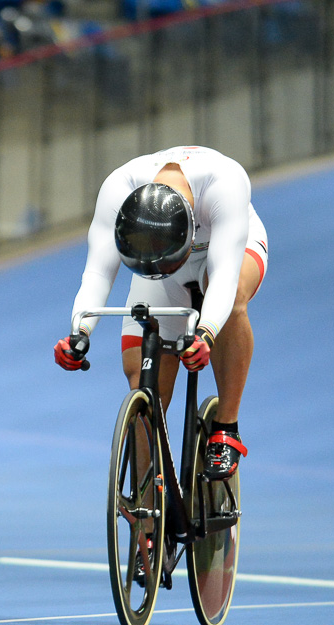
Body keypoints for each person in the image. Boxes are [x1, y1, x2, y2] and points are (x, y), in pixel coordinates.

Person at [54, 145, 266, 479]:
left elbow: (224, 276)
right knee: (140, 379)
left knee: (232, 296)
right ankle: (146, 514)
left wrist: (206, 332)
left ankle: (226, 426)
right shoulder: (119, 188)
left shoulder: (224, 183)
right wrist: (80, 333)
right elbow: (97, 272)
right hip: (159, 265)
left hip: (228, 250)